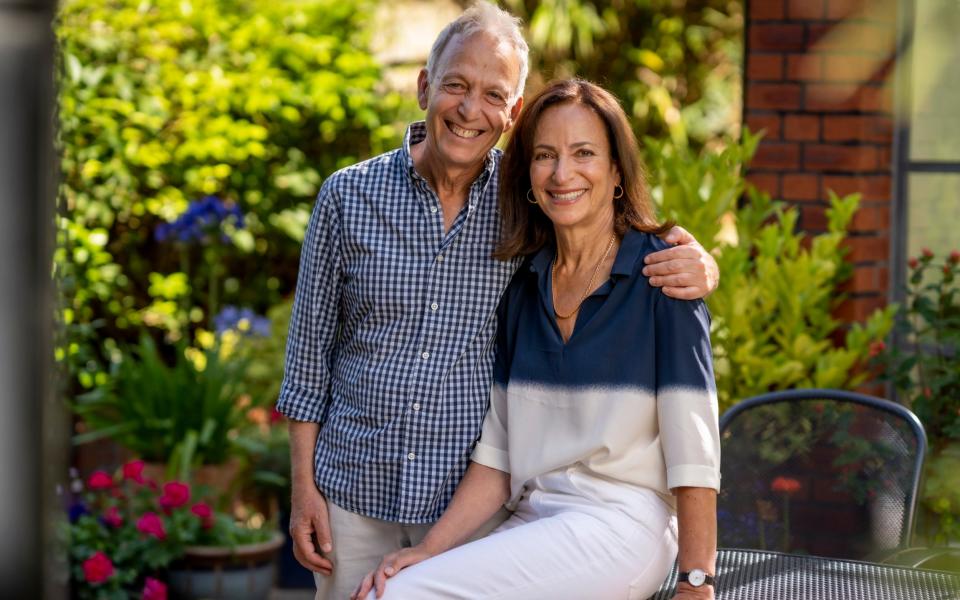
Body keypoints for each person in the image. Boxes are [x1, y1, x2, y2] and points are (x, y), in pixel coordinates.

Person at [276, 4, 720, 599]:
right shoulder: (352, 198)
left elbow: (607, 222)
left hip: (479, 501)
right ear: (424, 87)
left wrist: (700, 262)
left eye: (493, 95)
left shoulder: (539, 212)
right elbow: (307, 360)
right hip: (356, 489)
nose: (469, 109)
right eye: (456, 85)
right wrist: (303, 489)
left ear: (511, 115)